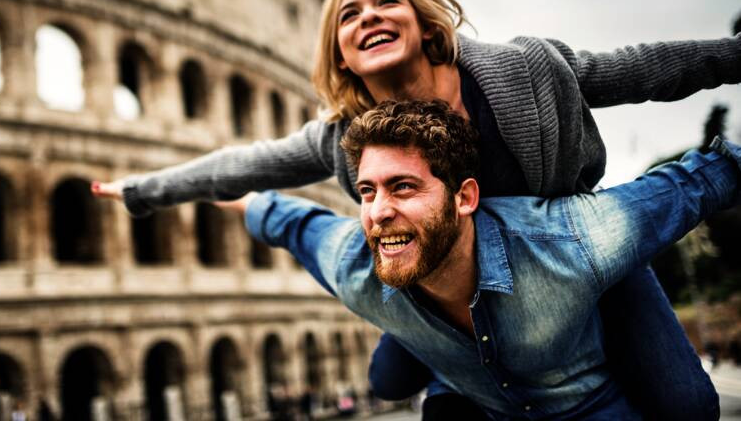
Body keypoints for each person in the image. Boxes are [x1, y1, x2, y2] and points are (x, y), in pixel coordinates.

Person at [93, 0, 741, 418]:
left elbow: (642, 70)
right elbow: (249, 165)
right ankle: (456, 363)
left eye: (386, 2)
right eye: (349, 15)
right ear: (340, 53)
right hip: (437, 277)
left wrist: (733, 56)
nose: (368, 17)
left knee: (686, 403)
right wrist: (145, 190)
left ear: (424, 22)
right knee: (387, 376)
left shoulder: (523, 73)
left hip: (561, 257)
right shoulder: (342, 136)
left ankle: (462, 371)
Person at [219, 100, 741, 420]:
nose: (378, 212)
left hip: (586, 405)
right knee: (387, 381)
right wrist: (192, 187)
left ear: (465, 197)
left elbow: (699, 181)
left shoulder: (569, 240)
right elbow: (287, 219)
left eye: (403, 187)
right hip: (473, 396)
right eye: (367, 191)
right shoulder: (352, 262)